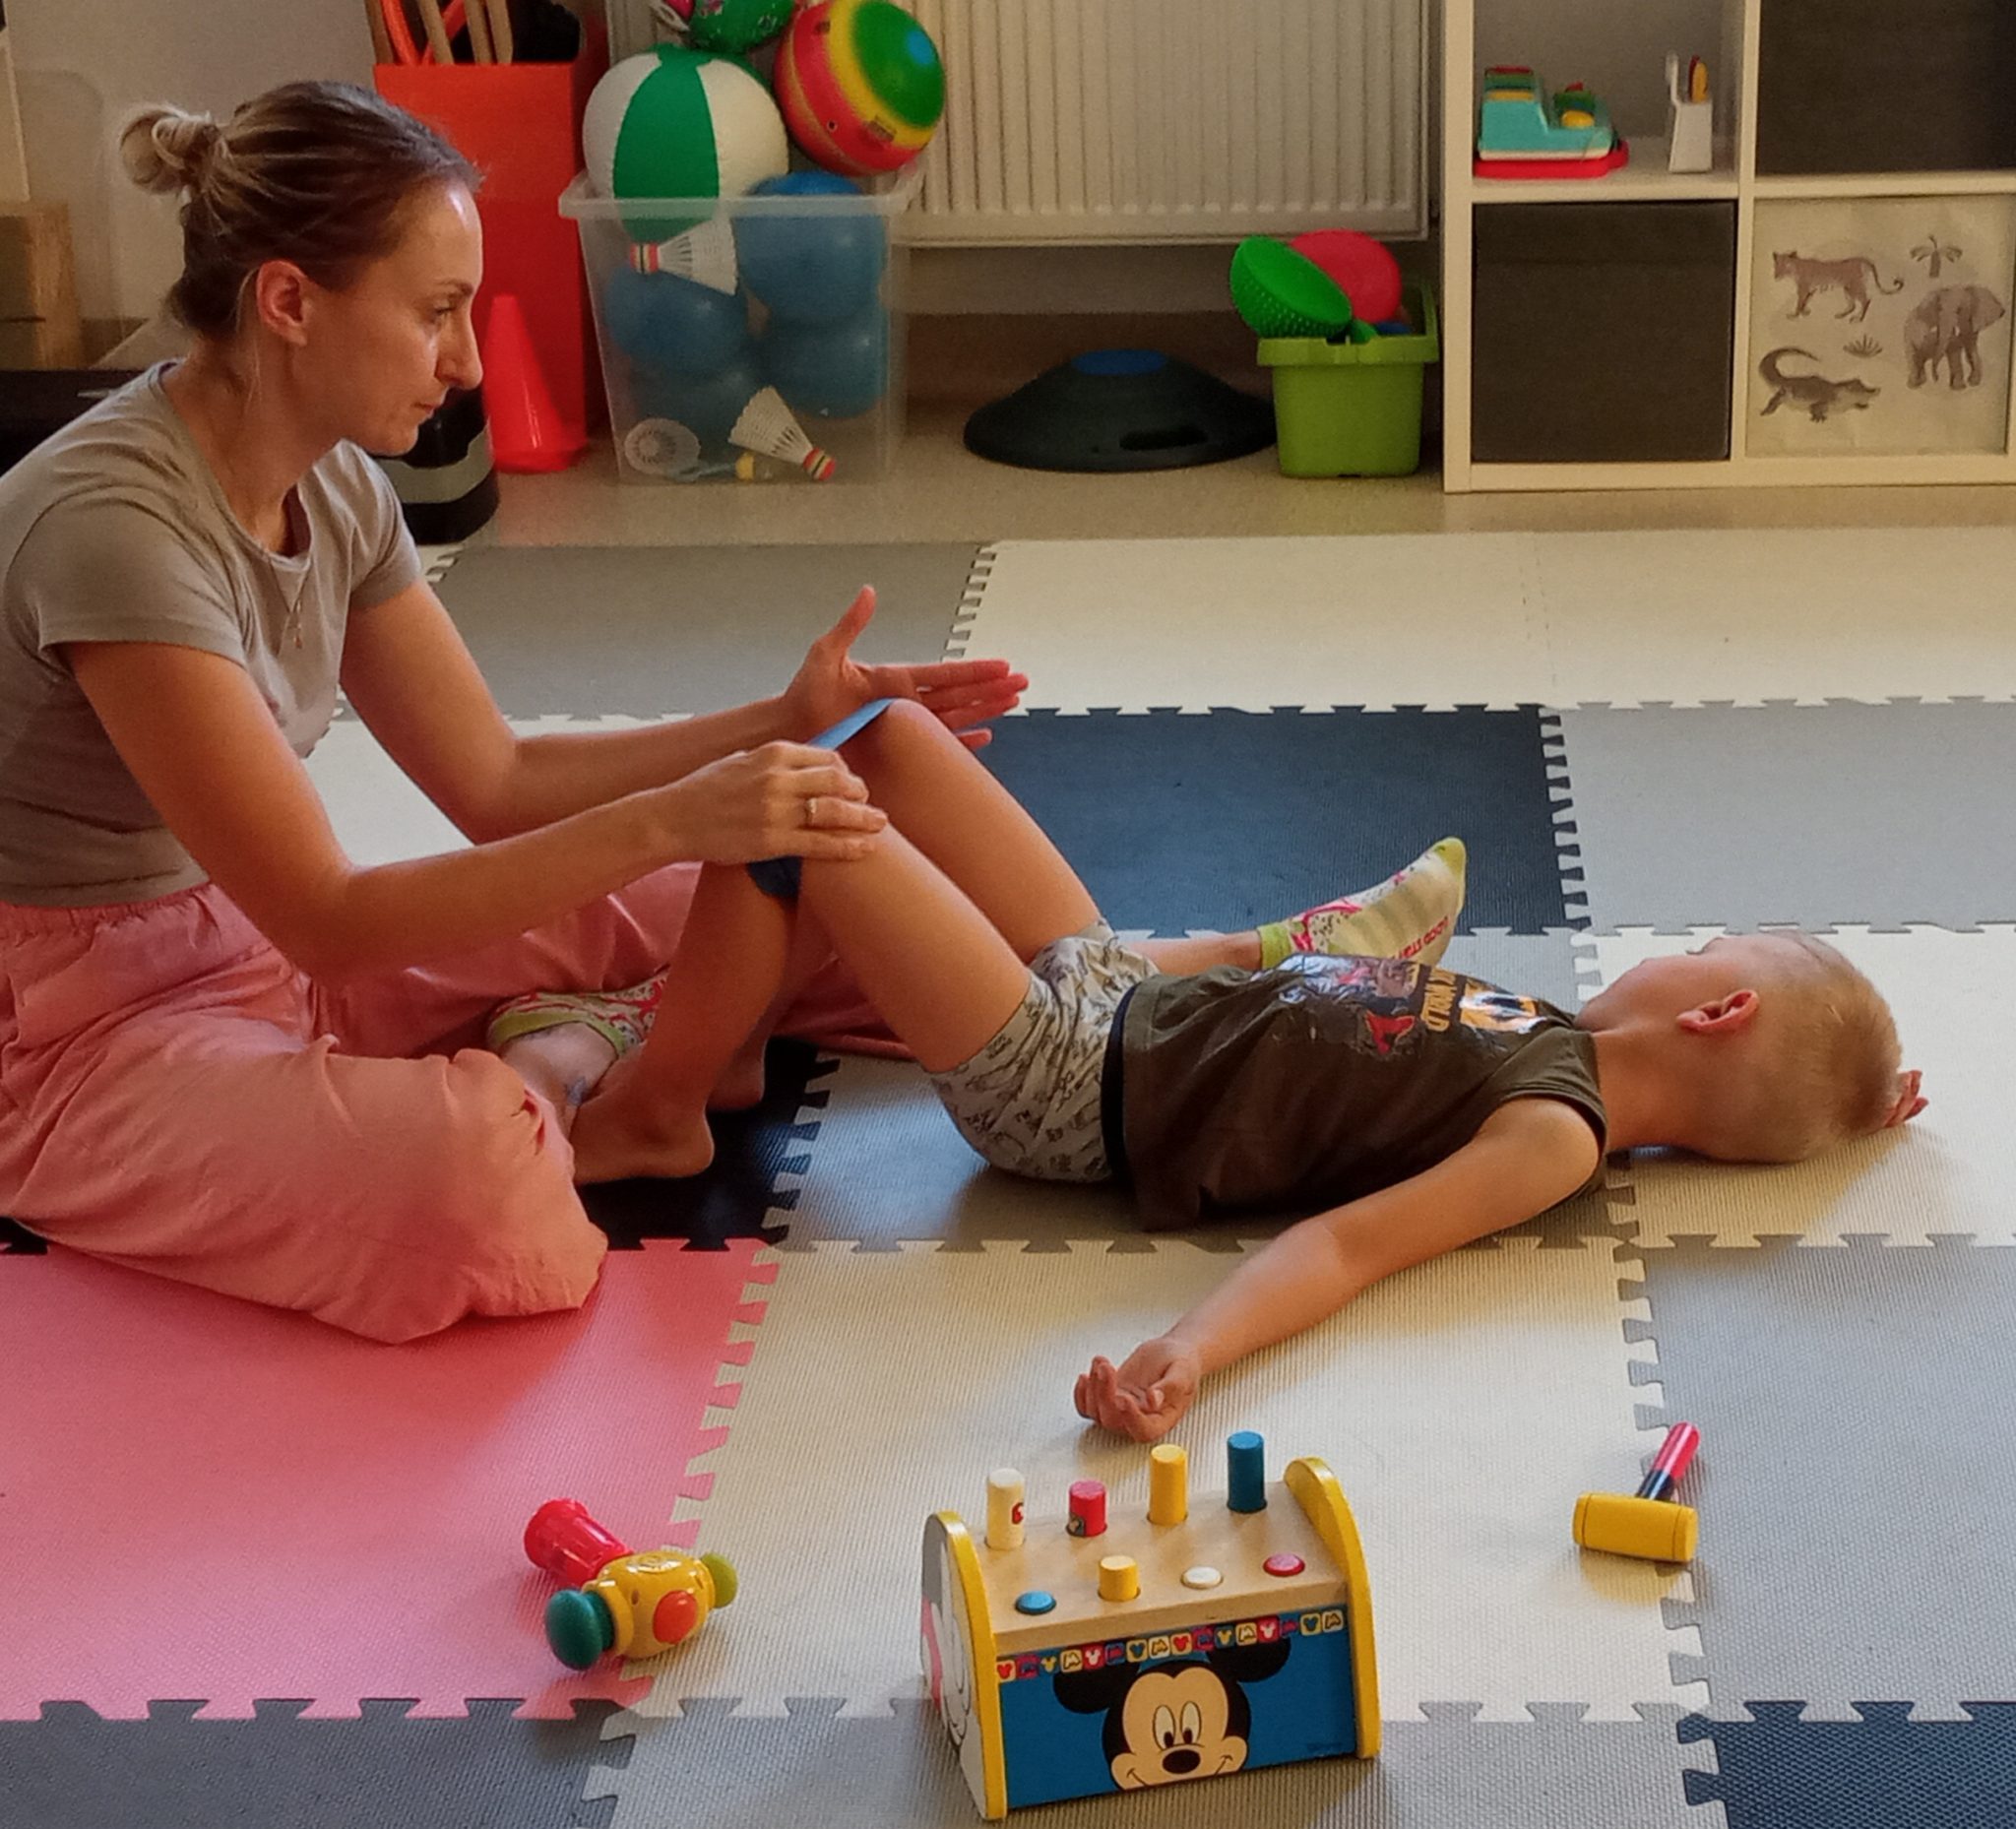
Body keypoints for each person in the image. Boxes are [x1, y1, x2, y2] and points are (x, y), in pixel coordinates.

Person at [0, 82, 1028, 1344]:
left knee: (803, 868)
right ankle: (577, 1067)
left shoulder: (337, 486)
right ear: (288, 302)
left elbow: (496, 783)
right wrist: (675, 819)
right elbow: (331, 921)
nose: (469, 362)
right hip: (79, 1038)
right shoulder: (113, 529)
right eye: (436, 312)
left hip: (260, 945)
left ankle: (639, 1045)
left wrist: (777, 719)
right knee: (480, 1180)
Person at [573, 699, 1927, 1440]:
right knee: (884, 738)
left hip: (1068, 1084)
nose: (1675, 953)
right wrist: (1860, 1096)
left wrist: (1190, 1350)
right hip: (1119, 989)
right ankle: (729, 1032)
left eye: (1702, 954)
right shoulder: (1549, 1027)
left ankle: (661, 1108)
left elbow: (1344, 1245)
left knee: (796, 814)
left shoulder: (1555, 1131)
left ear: (1719, 1011)